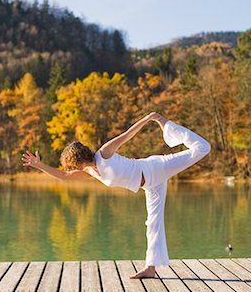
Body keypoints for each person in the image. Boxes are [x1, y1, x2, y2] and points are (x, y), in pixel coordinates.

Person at [21, 112, 211, 279]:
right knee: (153, 223)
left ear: (78, 160)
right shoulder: (90, 171)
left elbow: (127, 135)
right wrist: (39, 165)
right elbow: (63, 176)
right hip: (151, 185)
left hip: (156, 168)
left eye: (72, 164)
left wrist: (150, 118)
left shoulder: (104, 154)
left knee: (202, 148)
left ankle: (168, 126)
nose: (72, 169)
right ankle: (150, 268)